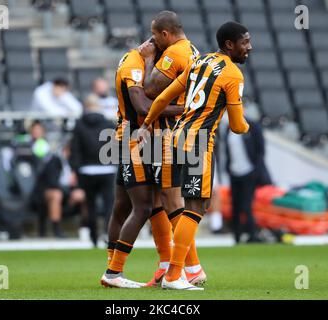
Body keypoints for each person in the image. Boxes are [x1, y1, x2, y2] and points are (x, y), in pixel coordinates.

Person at [138, 21, 251, 290]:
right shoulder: (233, 75)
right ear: (229, 45)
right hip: (199, 142)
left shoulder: (199, 63)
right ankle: (176, 275)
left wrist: (146, 123)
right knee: (196, 208)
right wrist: (248, 125)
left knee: (182, 205)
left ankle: (180, 271)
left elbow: (163, 96)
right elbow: (237, 126)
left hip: (175, 136)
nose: (249, 47)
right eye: (245, 42)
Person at [100, 40, 183, 288]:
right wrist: (185, 109)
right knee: (143, 206)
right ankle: (113, 272)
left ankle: (163, 265)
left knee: (126, 204)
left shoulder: (136, 62)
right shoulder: (134, 65)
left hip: (139, 138)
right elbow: (143, 106)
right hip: (132, 140)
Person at [138, 10, 205, 287]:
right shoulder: (193, 50)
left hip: (169, 133)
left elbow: (150, 90)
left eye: (155, 36)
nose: (153, 41)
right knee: (166, 198)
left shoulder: (173, 53)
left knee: (172, 198)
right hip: (188, 133)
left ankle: (190, 268)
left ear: (165, 34)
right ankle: (172, 265)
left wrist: (148, 59)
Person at [70, 94, 117, 246]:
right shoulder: (108, 124)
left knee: (90, 205)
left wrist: (75, 170)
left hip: (86, 171)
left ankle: (94, 237)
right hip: (107, 169)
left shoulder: (79, 125)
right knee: (109, 205)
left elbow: (75, 151)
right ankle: (110, 236)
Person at [225, 118, 271, 243]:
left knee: (247, 205)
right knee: (235, 206)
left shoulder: (252, 126)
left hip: (249, 172)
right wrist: (228, 168)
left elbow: (260, 149)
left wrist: (257, 169)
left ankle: (252, 234)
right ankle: (237, 236)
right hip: (234, 172)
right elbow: (228, 151)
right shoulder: (228, 128)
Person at [30, 143, 86, 238]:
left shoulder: (74, 163)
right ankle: (56, 229)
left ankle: (85, 228)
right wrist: (69, 193)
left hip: (66, 193)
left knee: (82, 195)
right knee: (56, 195)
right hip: (45, 193)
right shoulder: (54, 160)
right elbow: (52, 183)